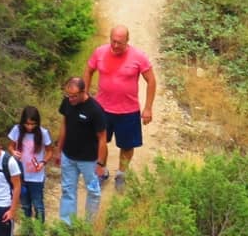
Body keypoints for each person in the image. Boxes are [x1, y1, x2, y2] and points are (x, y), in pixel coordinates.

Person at [87, 25, 156, 185]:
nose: (116, 45)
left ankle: (121, 174)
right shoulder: (100, 52)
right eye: (113, 41)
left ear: (127, 41)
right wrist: (84, 95)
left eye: (120, 42)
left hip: (128, 111)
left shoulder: (138, 56)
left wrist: (148, 108)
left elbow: (151, 80)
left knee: (127, 145)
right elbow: (89, 70)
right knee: (99, 141)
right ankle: (101, 171)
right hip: (102, 109)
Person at [55, 77, 109, 223]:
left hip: (89, 161)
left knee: (93, 191)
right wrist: (58, 150)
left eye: (74, 96)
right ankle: (67, 223)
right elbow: (64, 125)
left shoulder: (95, 110)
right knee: (68, 190)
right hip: (69, 157)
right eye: (68, 95)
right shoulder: (67, 102)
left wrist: (100, 164)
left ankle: (88, 226)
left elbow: (102, 138)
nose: (70, 99)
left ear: (83, 92)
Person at [8, 106, 52, 222]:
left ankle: (39, 232)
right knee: (25, 205)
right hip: (21, 176)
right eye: (27, 124)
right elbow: (10, 146)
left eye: (33, 124)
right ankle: (28, 229)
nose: (30, 127)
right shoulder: (16, 130)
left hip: (36, 177)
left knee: (38, 205)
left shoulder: (43, 133)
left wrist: (43, 162)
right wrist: (13, 152)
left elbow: (50, 151)